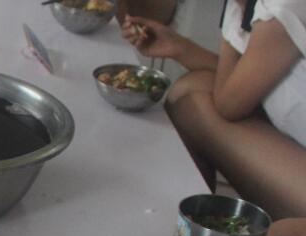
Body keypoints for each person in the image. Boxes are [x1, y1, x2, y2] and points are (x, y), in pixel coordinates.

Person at [120, 1, 306, 219]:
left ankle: (189, 223)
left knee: (192, 106)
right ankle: (189, 218)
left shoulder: (282, 8)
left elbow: (228, 105)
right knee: (193, 86)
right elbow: (237, 84)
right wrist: (179, 47)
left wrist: (232, 19)